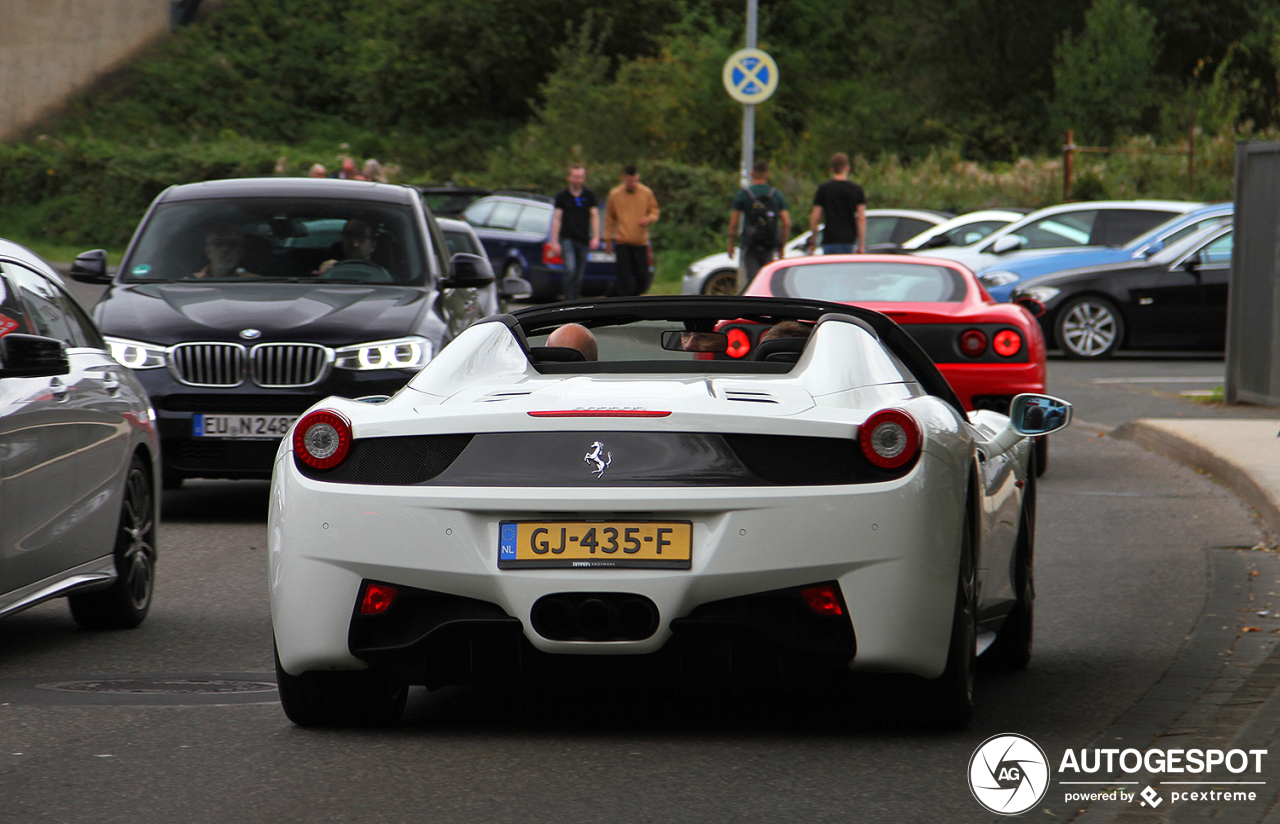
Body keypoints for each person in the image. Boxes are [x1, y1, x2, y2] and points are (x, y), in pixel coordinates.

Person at [728, 159, 791, 292]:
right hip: (769, 245)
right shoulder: (776, 194)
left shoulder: (744, 194)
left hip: (749, 245)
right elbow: (786, 222)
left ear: (752, 174)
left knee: (753, 282)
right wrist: (781, 245)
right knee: (768, 282)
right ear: (767, 175)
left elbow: (734, 222)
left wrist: (730, 243)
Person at [604, 165, 660, 296]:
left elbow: (654, 210)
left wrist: (649, 218)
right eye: (630, 181)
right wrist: (607, 239)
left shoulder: (646, 192)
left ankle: (633, 297)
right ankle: (624, 301)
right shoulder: (615, 194)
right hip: (622, 241)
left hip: (640, 241)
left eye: (635, 180)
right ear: (624, 178)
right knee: (624, 277)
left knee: (643, 276)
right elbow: (609, 218)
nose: (632, 184)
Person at [548, 164, 601, 301]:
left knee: (579, 273)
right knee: (570, 269)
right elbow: (557, 219)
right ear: (569, 178)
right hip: (567, 239)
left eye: (581, 177)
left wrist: (596, 237)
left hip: (583, 239)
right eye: (576, 177)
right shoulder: (562, 197)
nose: (579, 180)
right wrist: (554, 242)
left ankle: (575, 299)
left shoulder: (589, 195)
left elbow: (594, 216)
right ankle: (567, 298)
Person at [808, 152, 867, 255]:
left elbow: (815, 216)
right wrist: (861, 244)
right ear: (847, 168)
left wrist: (813, 239)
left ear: (832, 170)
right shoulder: (856, 190)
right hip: (848, 240)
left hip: (829, 239)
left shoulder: (824, 189)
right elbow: (861, 218)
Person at [316, 218, 386, 276]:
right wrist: (324, 275)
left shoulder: (384, 276)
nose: (354, 243)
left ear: (373, 245)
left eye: (361, 237)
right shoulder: (329, 269)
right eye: (348, 235)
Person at [193, 223, 259, 278]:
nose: (225, 248)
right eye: (218, 244)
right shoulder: (188, 284)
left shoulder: (257, 283)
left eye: (232, 244)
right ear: (207, 251)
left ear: (241, 250)